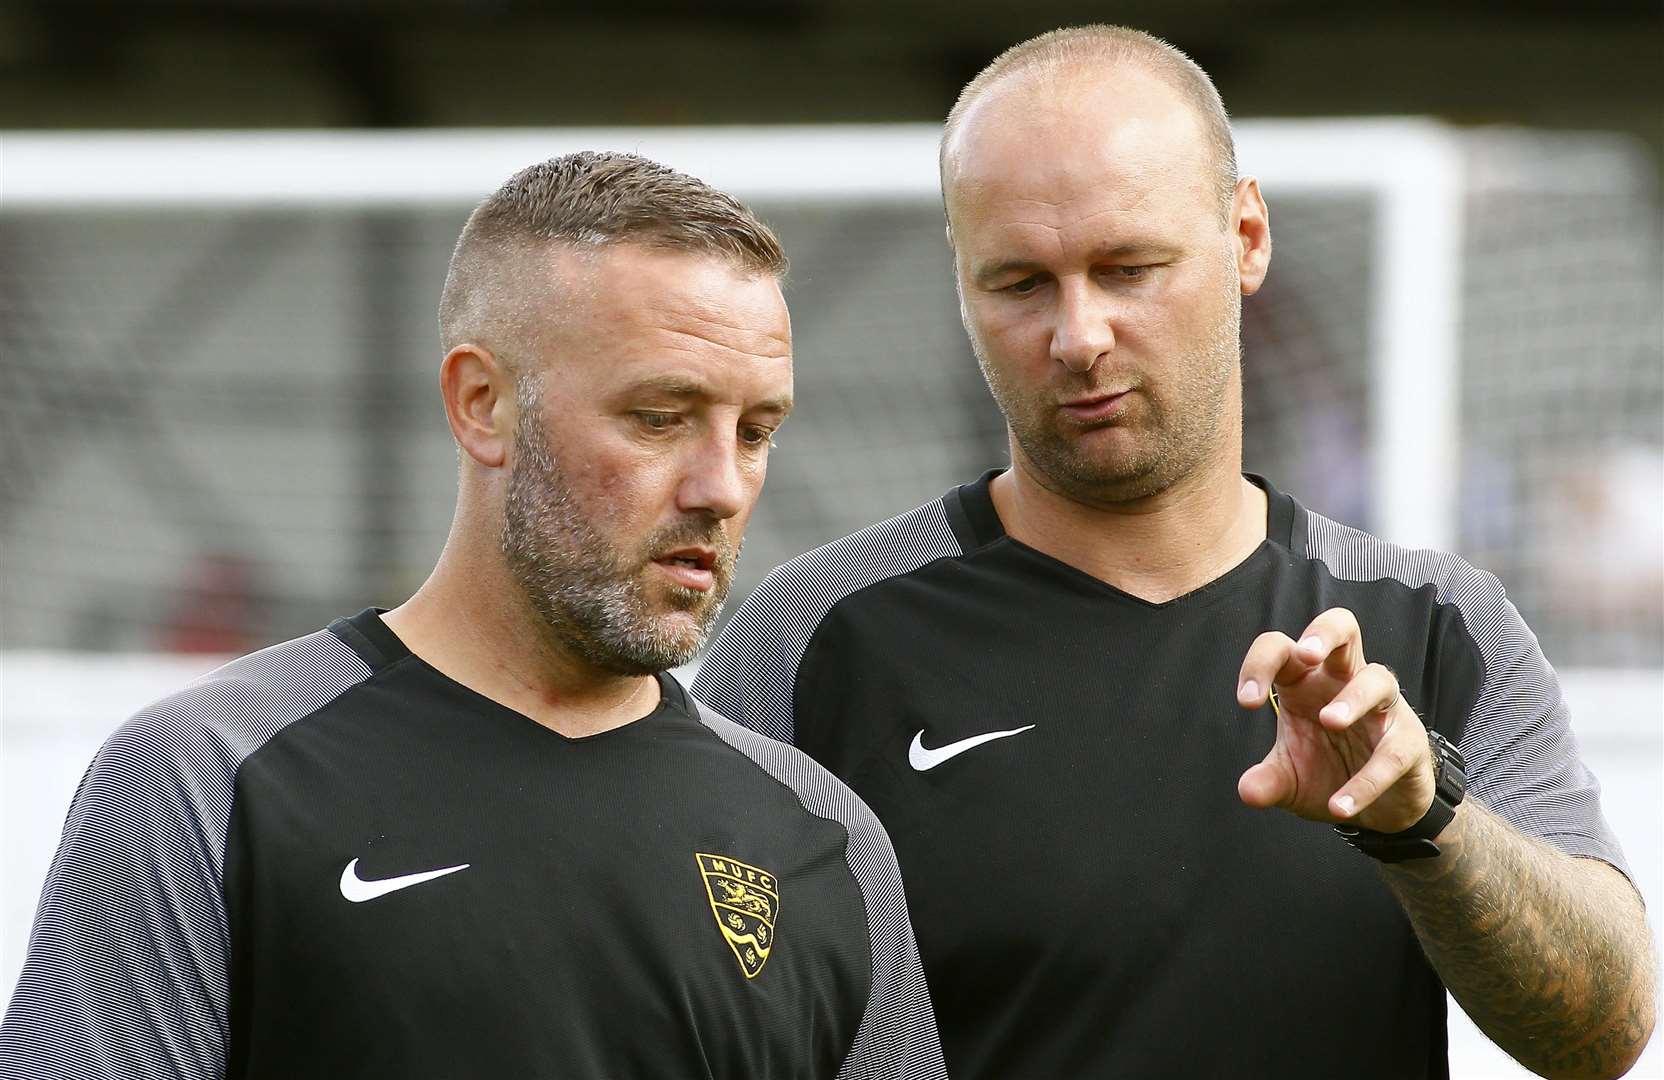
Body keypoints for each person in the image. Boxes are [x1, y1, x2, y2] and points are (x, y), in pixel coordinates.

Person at [692, 26, 1656, 1080]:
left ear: (1244, 236)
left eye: (1126, 267)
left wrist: (1419, 819)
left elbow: (1602, 1034)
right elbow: (676, 1018)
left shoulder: (1427, 623)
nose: (1077, 335)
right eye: (1018, 283)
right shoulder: (811, 635)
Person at [0, 152, 946, 1080]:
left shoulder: (825, 839)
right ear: (482, 404)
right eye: (660, 416)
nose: (723, 486)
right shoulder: (208, 777)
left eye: (756, 431)